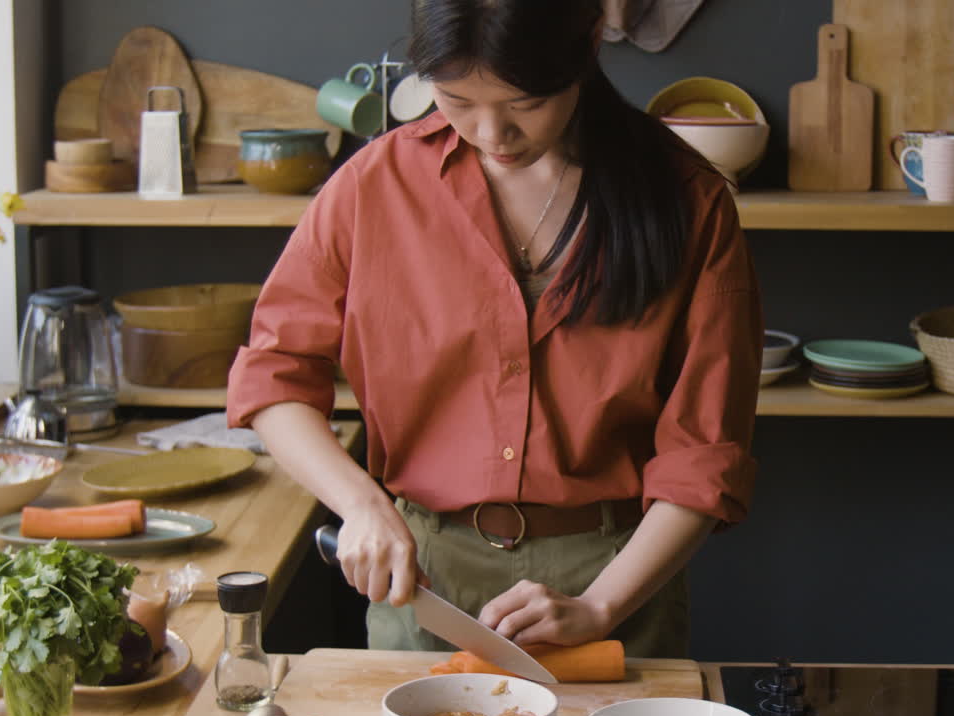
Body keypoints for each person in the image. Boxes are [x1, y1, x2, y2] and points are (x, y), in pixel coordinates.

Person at [225, 0, 762, 659]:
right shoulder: (372, 188)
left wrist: (601, 605)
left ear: (589, 40)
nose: (491, 133)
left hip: (616, 578)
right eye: (455, 100)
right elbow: (275, 376)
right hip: (424, 578)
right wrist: (361, 505)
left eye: (525, 102)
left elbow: (703, 452)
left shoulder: (689, 199)